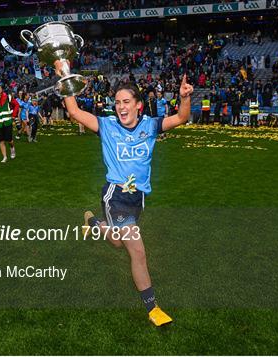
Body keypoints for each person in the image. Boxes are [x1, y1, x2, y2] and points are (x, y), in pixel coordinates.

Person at [62, 66, 193, 326]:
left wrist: (185, 97)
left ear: (138, 105)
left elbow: (180, 118)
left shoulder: (151, 125)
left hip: (137, 199)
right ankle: (152, 308)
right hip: (116, 197)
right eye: (117, 102)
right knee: (137, 250)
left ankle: (93, 223)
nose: (120, 107)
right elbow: (74, 112)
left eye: (126, 102)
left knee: (118, 242)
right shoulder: (107, 126)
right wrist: (64, 76)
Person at [0, 84, 19, 163]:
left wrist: (13, 115)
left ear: (1, 89)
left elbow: (16, 105)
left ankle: (12, 148)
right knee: (1, 141)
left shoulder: (8, 97)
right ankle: (4, 157)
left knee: (9, 140)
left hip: (7, 122)